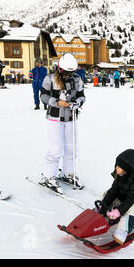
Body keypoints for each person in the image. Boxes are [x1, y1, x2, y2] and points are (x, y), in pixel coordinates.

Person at [39, 53, 86, 194]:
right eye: (66, 72)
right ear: (60, 68)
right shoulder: (50, 78)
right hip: (55, 117)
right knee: (56, 148)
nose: (68, 75)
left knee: (71, 148)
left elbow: (82, 96)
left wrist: (78, 102)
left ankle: (68, 173)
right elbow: (43, 96)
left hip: (71, 117)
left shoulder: (77, 80)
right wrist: (57, 102)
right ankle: (48, 176)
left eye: (71, 72)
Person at [97, 149, 134, 245]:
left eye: (119, 167)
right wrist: (104, 206)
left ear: (128, 169)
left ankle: (122, 231)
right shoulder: (119, 175)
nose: (116, 168)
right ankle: (102, 213)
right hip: (123, 197)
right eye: (116, 165)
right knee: (106, 194)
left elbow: (130, 200)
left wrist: (119, 211)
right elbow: (112, 192)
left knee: (132, 209)